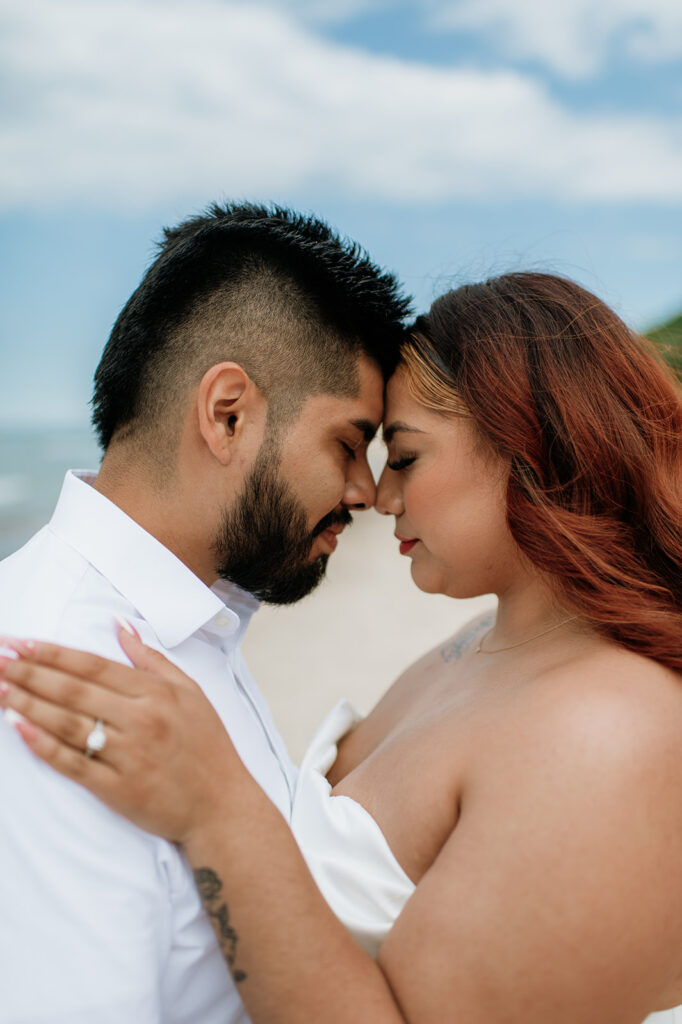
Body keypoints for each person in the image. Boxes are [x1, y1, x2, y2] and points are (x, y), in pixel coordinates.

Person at [3, 272, 682, 1023]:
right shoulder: (476, 649)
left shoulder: (606, 733)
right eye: (364, 450)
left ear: (533, 450)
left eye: (406, 456)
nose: (378, 496)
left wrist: (220, 810)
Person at [0, 202, 409, 1024]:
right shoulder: (49, 683)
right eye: (345, 444)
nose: (366, 491)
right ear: (228, 414)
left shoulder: (190, 623)